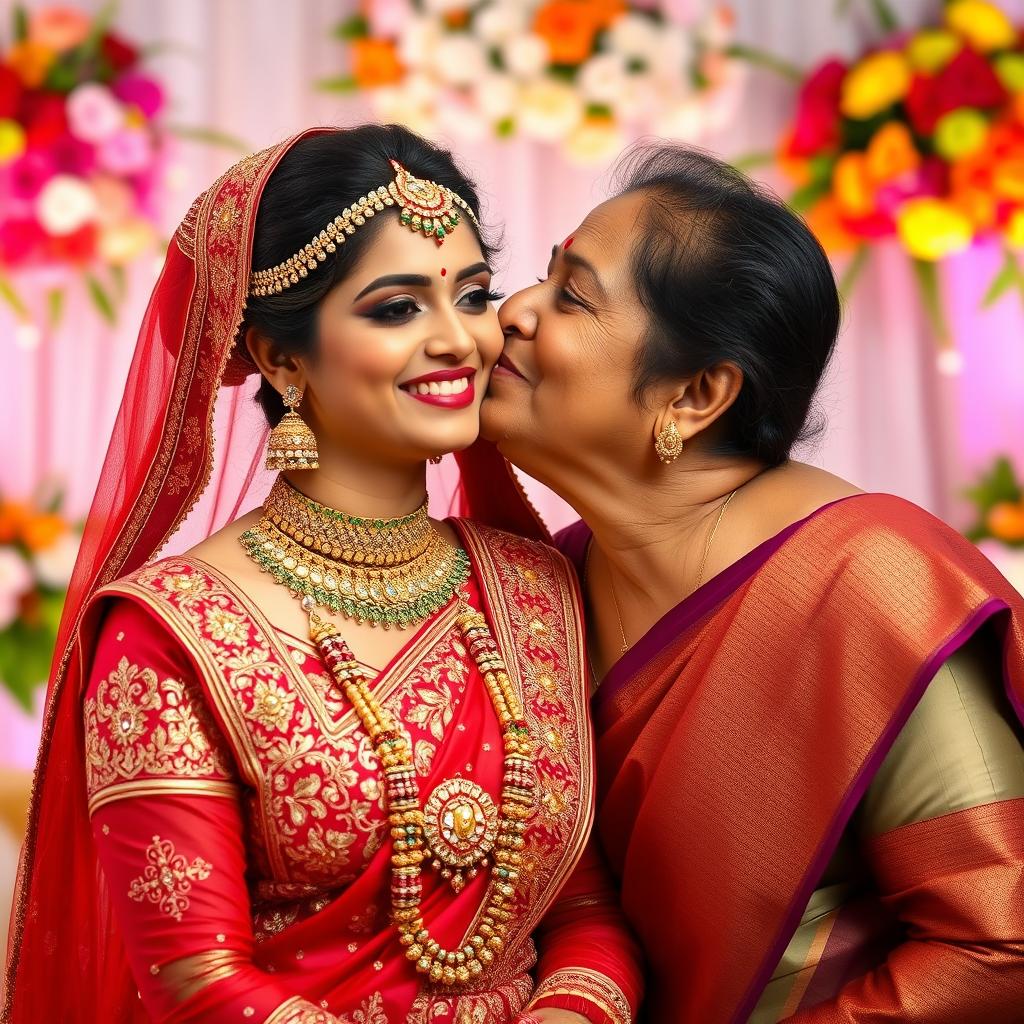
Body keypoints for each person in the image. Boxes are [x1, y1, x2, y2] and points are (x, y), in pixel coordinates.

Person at [2, 126, 642, 1024]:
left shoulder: (536, 588)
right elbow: (198, 985)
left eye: (472, 295)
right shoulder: (170, 632)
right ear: (279, 356)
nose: (460, 339)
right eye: (396, 308)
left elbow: (582, 908)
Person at [463, 144, 1024, 1022]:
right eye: (542, 277)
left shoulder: (873, 582)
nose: (516, 312)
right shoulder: (549, 587)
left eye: (572, 295)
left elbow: (1000, 947)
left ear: (694, 395)